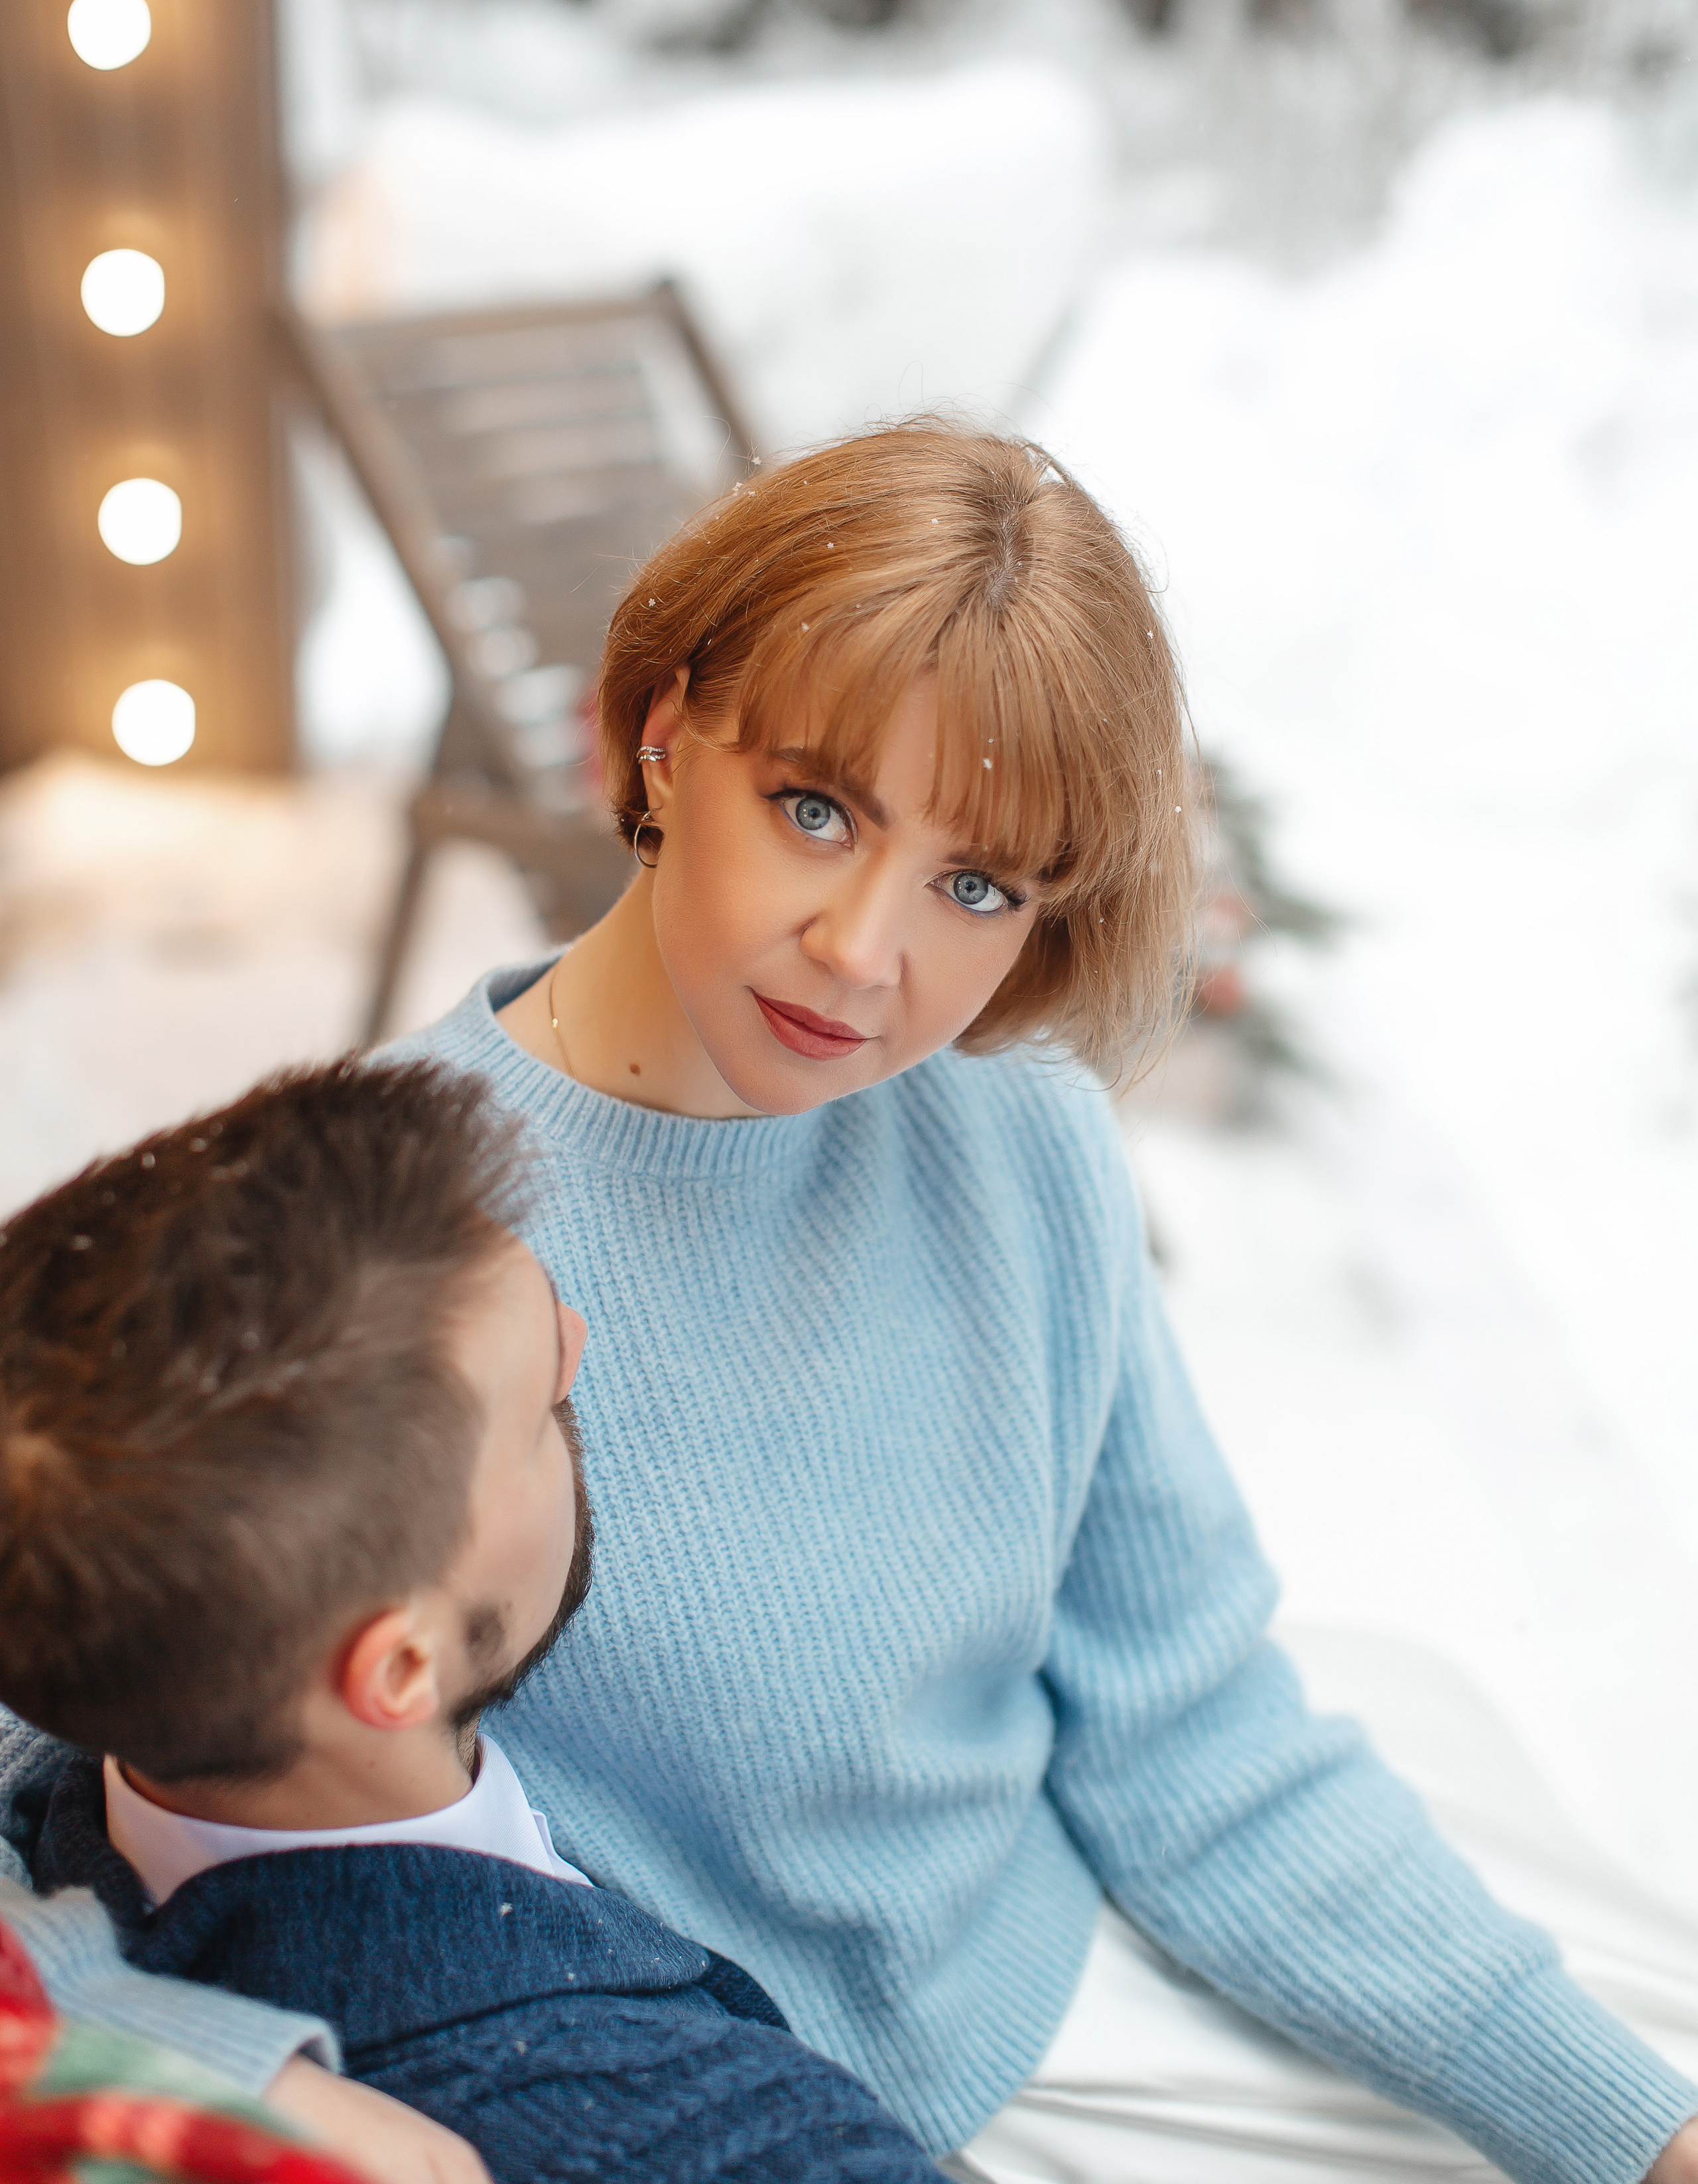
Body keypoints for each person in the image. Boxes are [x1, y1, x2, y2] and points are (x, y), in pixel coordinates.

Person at [3, 418, 1697, 2184]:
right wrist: (231, 2063)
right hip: (696, 2106)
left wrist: (1635, 2132)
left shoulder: (1023, 1141)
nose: (867, 953)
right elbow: (59, 1735)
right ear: (665, 736)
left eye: (977, 884)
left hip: (1076, 1971)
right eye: (816, 810)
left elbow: (1190, 1731)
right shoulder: (388, 1244)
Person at [0, 1059, 944, 2184]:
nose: (579, 1341)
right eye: (539, 1407)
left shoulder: (70, 1719)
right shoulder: (730, 2139)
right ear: (399, 1667)